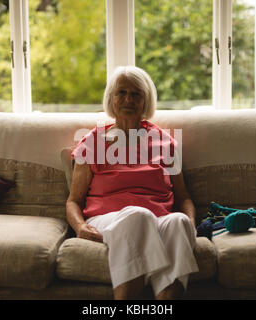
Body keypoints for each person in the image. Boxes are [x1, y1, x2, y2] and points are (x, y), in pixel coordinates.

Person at [66, 65, 199, 300]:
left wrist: (190, 222)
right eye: (122, 92)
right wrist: (80, 227)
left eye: (136, 94)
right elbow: (73, 201)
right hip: (109, 219)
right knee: (139, 215)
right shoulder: (93, 142)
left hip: (158, 219)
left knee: (178, 222)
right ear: (111, 98)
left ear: (145, 101)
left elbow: (183, 197)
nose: (129, 99)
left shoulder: (165, 142)